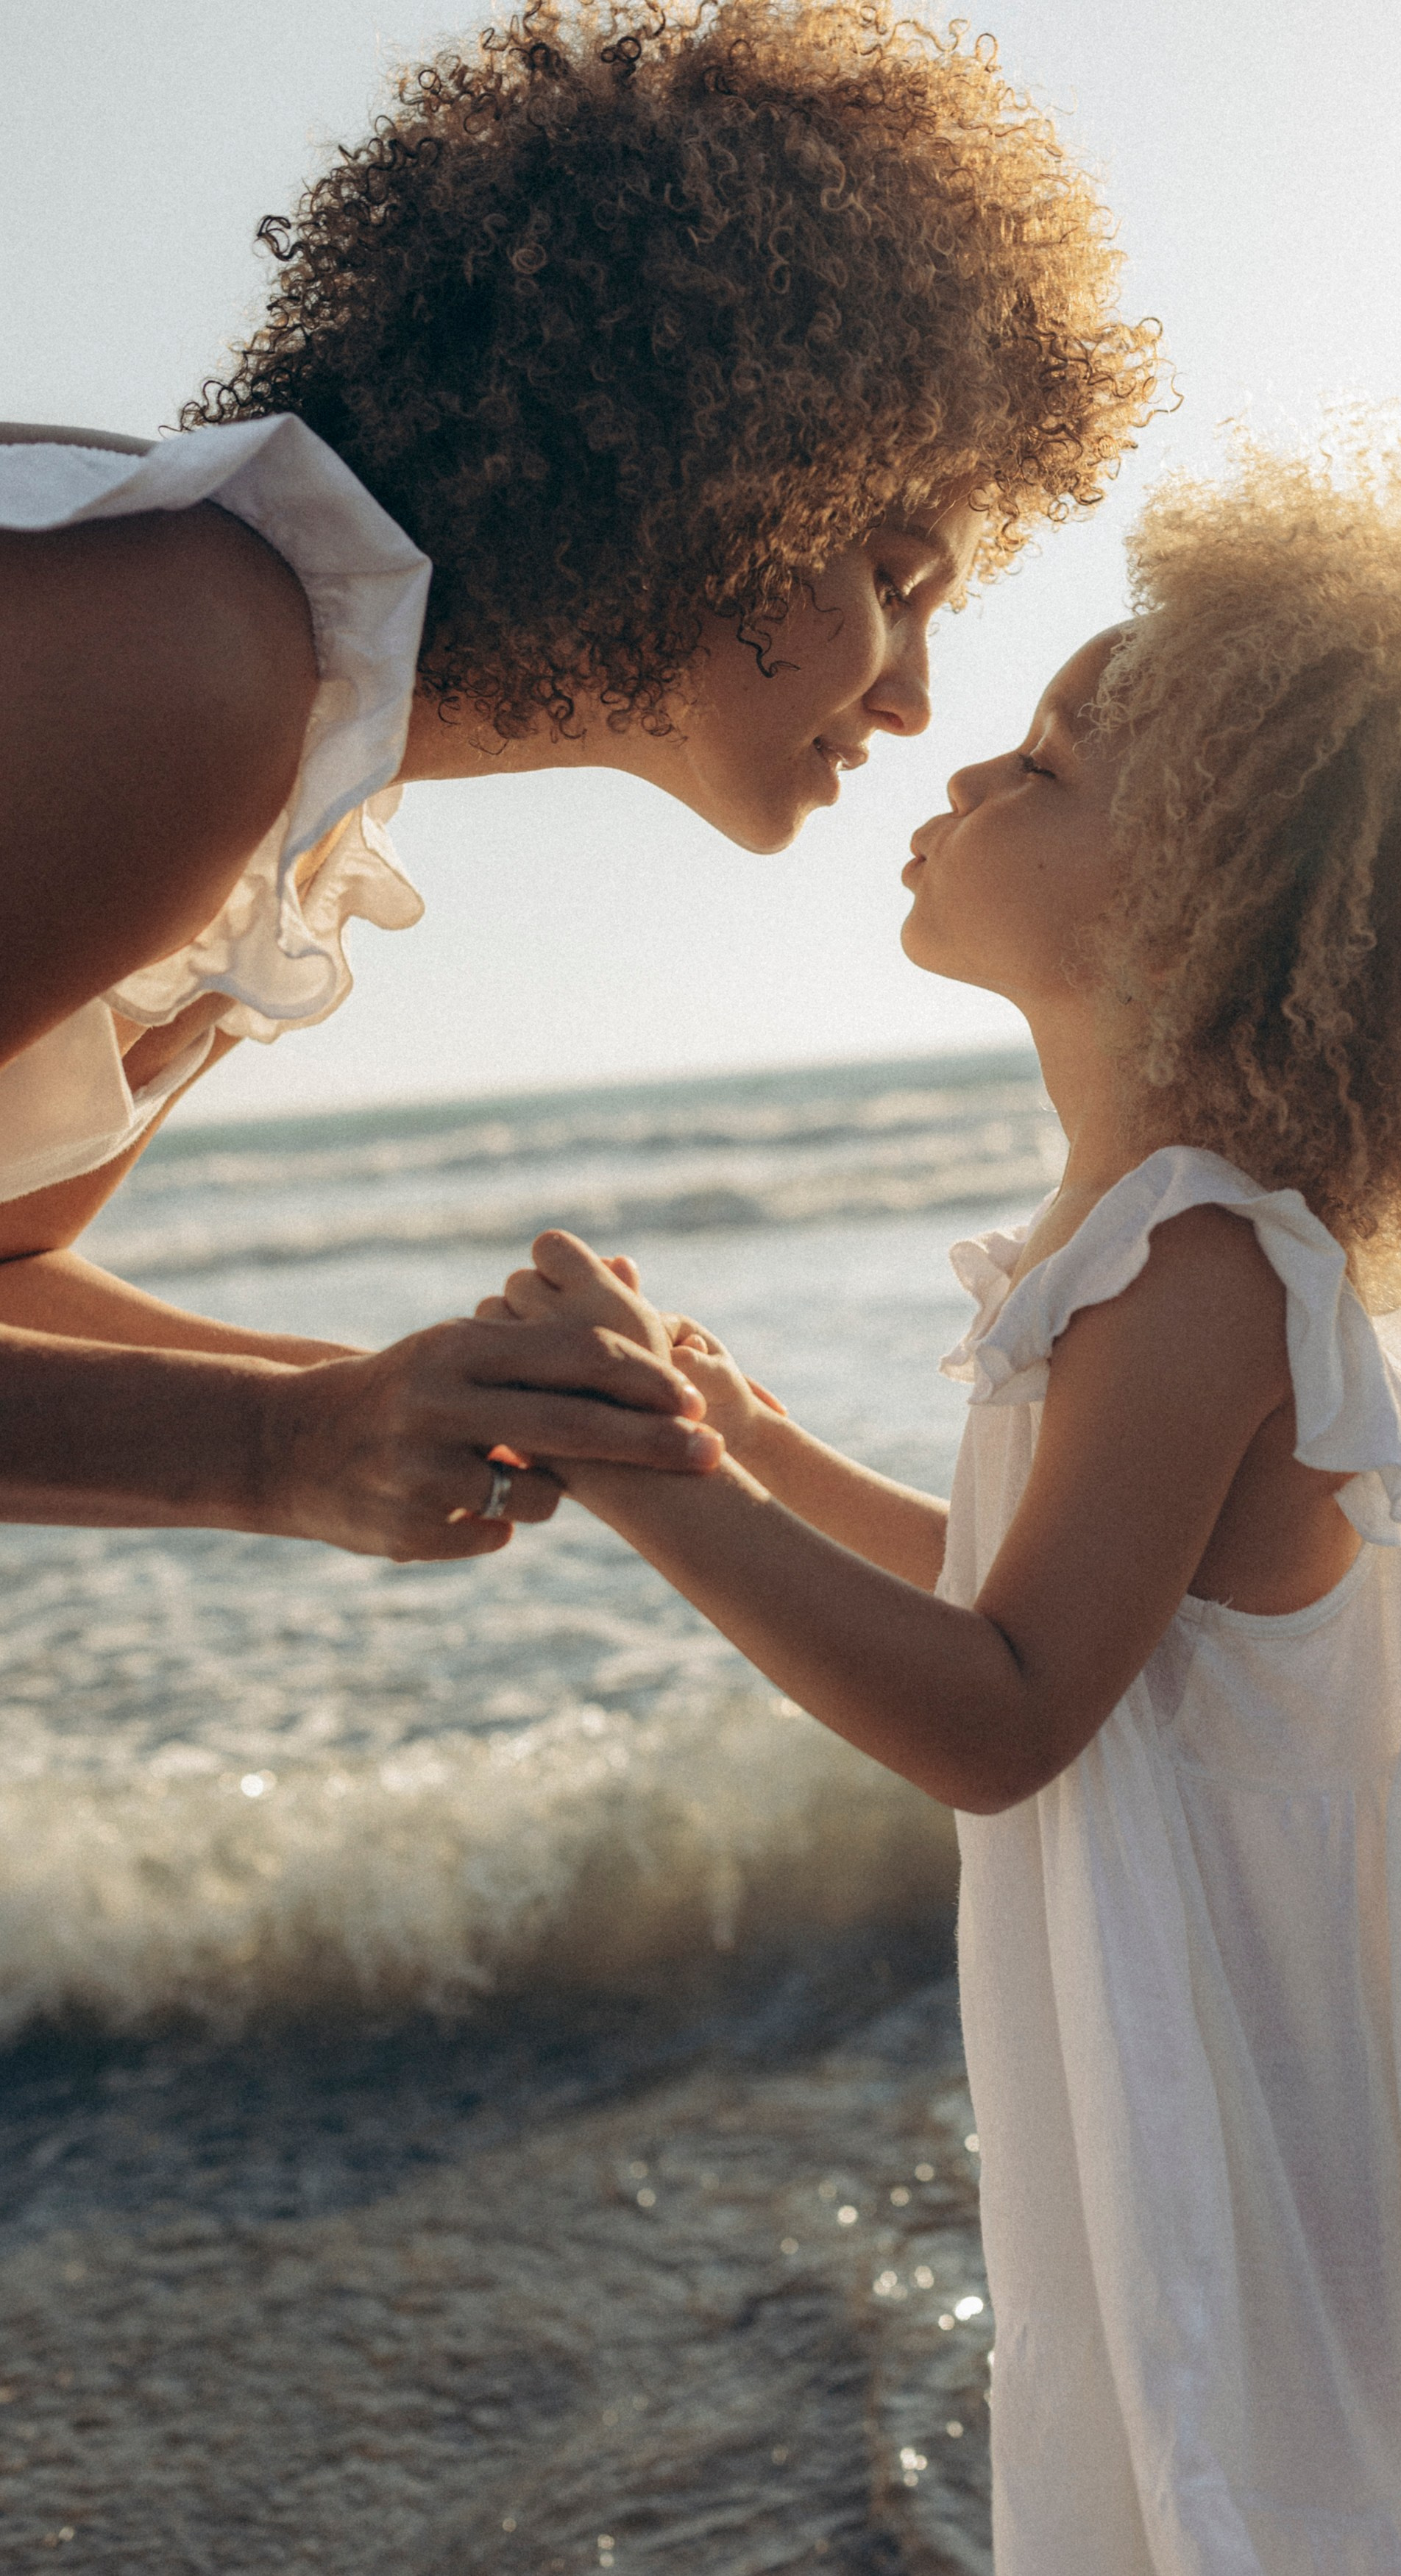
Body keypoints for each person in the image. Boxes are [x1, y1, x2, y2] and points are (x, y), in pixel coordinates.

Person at [480, 418, 1401, 2572]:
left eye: (1040, 769)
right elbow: (1028, 1603)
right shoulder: (1146, 1242)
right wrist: (750, 1447)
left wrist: (635, 1473)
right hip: (1234, 2054)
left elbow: (1001, 1703)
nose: (955, 766)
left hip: (1270, 2103)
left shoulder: (1201, 1265)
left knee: (1276, 2490)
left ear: (1217, 892)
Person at [0, 0, 1157, 1562]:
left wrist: (405, 1401)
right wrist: (283, 1449)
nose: (912, 695)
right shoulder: (198, 663)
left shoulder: (303, 756)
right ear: (715, 474)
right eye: (895, 575)